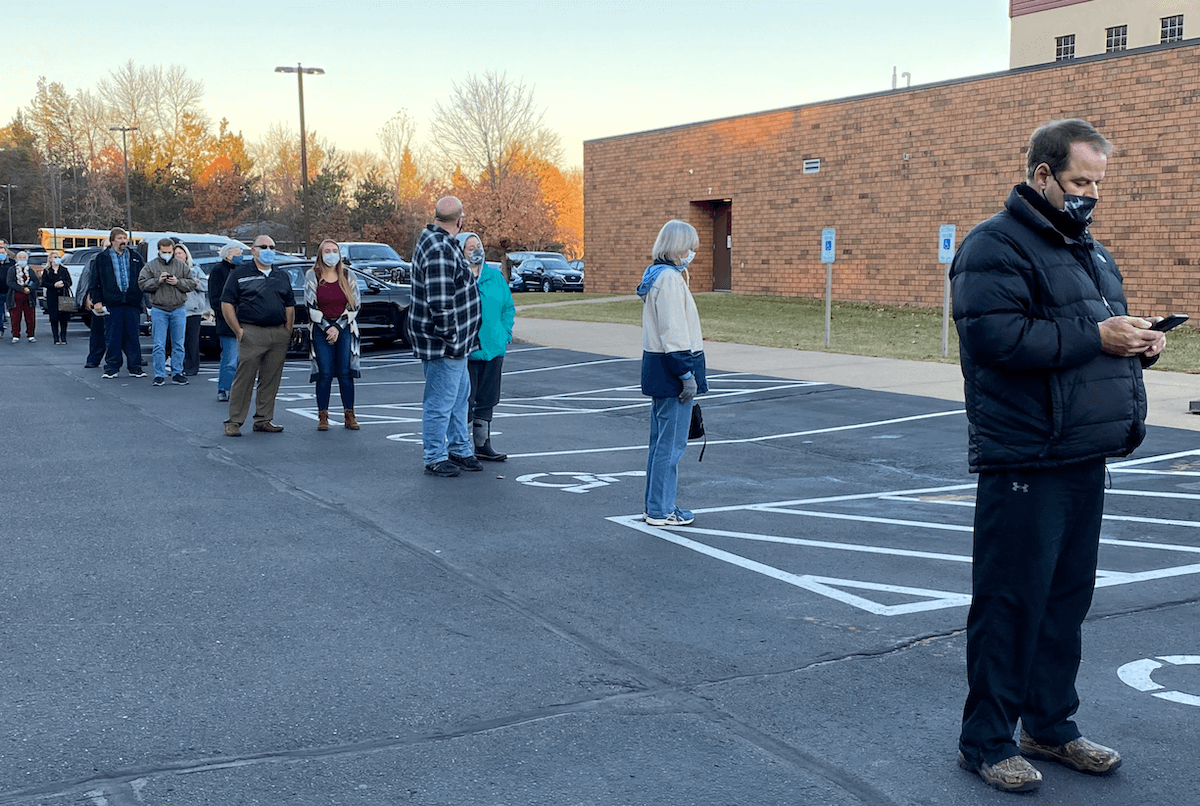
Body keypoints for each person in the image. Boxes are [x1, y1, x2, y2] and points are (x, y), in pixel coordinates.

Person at [950, 119, 1165, 793]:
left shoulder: (1089, 253)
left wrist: (1140, 342)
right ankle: (985, 740)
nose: (1090, 195)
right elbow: (999, 339)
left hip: (1082, 453)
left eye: (1098, 183)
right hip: (1024, 458)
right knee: (1011, 602)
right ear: (1041, 174)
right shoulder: (993, 246)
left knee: (1065, 602)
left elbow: (1091, 339)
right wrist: (1098, 336)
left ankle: (1051, 725)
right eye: (1079, 181)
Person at [637, 220, 707, 527]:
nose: (692, 252)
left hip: (661, 370)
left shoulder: (662, 277)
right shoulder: (669, 280)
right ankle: (661, 508)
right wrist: (686, 373)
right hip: (672, 372)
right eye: (689, 246)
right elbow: (674, 331)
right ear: (677, 246)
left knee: (661, 443)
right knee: (671, 446)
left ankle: (657, 505)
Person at [407, 196, 482, 477]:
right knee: (440, 402)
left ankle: (459, 448)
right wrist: (450, 338)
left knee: (459, 397)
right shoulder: (439, 248)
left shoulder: (440, 242)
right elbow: (440, 302)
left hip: (458, 343)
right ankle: (435, 455)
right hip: (445, 344)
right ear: (460, 221)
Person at [221, 235, 295, 437]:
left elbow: (289, 304)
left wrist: (287, 329)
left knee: (271, 379)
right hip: (251, 331)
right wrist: (238, 330)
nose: (268, 250)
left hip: (278, 333)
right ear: (253, 250)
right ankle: (234, 421)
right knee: (244, 379)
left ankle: (263, 419)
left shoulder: (281, 275)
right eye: (263, 246)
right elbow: (226, 302)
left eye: (272, 246)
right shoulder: (240, 274)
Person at [456, 231, 513, 460]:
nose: (475, 250)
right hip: (468, 351)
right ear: (461, 252)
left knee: (488, 398)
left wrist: (505, 333)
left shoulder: (494, 277)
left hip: (494, 348)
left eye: (477, 246)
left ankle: (482, 444)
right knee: (465, 400)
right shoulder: (457, 278)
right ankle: (459, 447)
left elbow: (508, 307)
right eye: (470, 247)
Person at [304, 239, 361, 431]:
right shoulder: (313, 276)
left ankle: (349, 414)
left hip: (344, 329)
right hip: (321, 330)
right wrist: (327, 327)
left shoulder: (348, 275)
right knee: (325, 373)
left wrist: (338, 327)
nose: (331, 254)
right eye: (327, 251)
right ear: (320, 254)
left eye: (334, 250)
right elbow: (310, 306)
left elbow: (355, 305)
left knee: (345, 373)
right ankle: (323, 416)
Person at [88, 228, 147, 379]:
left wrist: (140, 297)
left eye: (125, 238)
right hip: (112, 302)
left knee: (132, 336)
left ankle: (135, 367)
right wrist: (97, 301)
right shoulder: (102, 258)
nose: (123, 241)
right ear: (113, 240)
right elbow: (94, 281)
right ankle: (112, 368)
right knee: (113, 336)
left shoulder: (135, 257)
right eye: (120, 238)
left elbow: (143, 278)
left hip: (131, 302)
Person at [139, 237, 196, 386]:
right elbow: (142, 283)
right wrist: (157, 281)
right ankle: (159, 374)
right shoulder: (151, 266)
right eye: (164, 252)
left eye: (170, 252)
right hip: (159, 308)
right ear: (159, 251)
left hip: (178, 308)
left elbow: (191, 283)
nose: (167, 254)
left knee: (179, 343)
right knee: (158, 344)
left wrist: (178, 282)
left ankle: (177, 372)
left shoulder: (181, 266)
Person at [208, 242, 243, 402]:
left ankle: (237, 389)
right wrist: (227, 314)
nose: (240, 255)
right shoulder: (218, 271)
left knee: (241, 360)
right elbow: (215, 298)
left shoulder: (242, 270)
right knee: (229, 359)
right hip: (227, 321)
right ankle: (225, 388)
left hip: (245, 320)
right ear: (227, 254)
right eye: (237, 252)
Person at [175, 243, 209, 376]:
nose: (178, 256)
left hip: (193, 310)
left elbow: (205, 286)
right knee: (178, 340)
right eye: (175, 254)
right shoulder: (171, 270)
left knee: (192, 340)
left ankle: (192, 367)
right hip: (177, 309)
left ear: (186, 255)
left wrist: (194, 282)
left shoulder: (196, 269)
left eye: (180, 253)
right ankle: (179, 365)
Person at [77, 242, 108, 368]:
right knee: (98, 332)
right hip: (98, 300)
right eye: (106, 246)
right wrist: (88, 297)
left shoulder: (123, 260)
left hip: (117, 301)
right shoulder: (94, 260)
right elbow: (87, 280)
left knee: (124, 332)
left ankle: (134, 359)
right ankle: (94, 359)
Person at [6, 251, 40, 343]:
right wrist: (21, 289)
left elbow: (36, 282)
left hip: (29, 298)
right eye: (20, 258)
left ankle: (31, 335)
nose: (22, 260)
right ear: (17, 259)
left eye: (24, 258)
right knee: (15, 317)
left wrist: (30, 289)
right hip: (15, 297)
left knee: (30, 317)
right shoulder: (12, 269)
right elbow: (10, 282)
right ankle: (16, 334)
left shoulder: (30, 270)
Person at [41, 251, 73, 345]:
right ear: (50, 259)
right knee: (54, 318)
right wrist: (54, 285)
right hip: (52, 296)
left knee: (64, 317)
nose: (56, 259)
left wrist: (63, 283)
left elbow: (69, 282)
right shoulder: (47, 271)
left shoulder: (64, 269)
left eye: (57, 257)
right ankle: (56, 337)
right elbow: (43, 283)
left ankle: (63, 337)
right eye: (54, 257)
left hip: (63, 295)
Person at [0, 239, 12, 339]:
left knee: (13, 312)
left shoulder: (11, 263)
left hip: (10, 291)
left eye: (3, 252)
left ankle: (15, 331)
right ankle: (0, 330)